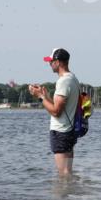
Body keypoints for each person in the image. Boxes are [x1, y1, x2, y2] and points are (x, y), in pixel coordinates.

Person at [28, 48, 80, 176]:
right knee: (67, 171)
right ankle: (70, 194)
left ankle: (62, 195)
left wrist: (40, 97)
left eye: (51, 61)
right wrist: (46, 96)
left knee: (63, 173)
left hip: (61, 132)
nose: (49, 64)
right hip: (69, 130)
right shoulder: (72, 78)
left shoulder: (63, 81)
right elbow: (61, 107)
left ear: (58, 62)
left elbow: (56, 112)